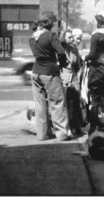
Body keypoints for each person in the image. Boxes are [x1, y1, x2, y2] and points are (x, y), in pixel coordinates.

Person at [29, 11, 70, 142]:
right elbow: (61, 52)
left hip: (36, 72)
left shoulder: (32, 37)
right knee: (57, 103)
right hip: (50, 72)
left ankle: (42, 134)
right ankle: (62, 134)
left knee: (40, 104)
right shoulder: (50, 35)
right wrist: (63, 64)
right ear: (50, 23)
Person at [59, 28, 84, 137]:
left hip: (73, 77)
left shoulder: (74, 50)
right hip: (63, 77)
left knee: (76, 103)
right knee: (66, 105)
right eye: (70, 37)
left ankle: (76, 126)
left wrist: (77, 78)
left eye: (72, 37)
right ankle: (67, 129)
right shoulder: (60, 49)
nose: (72, 40)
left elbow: (78, 66)